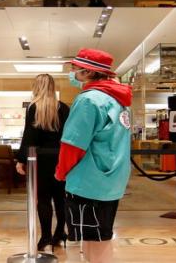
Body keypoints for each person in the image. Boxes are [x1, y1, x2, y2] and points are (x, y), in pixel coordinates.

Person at [55, 48, 133, 263]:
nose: (72, 73)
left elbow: (73, 145)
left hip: (88, 181)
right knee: (98, 236)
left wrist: (61, 173)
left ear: (88, 72)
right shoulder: (120, 100)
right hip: (112, 179)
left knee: (95, 240)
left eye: (75, 69)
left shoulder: (89, 100)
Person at [15, 74, 70, 251]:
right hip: (61, 157)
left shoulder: (33, 107)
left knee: (43, 199)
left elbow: (29, 136)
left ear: (36, 86)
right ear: (53, 87)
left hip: (40, 158)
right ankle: (60, 232)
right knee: (61, 198)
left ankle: (45, 236)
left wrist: (21, 159)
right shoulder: (63, 108)